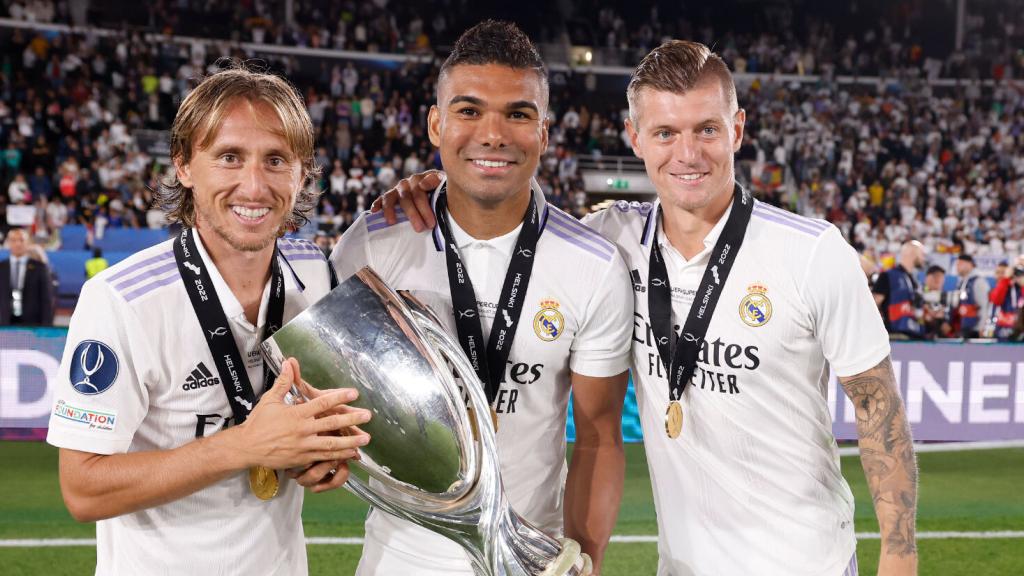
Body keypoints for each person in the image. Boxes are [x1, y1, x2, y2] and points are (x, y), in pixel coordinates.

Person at [377, 39, 918, 576]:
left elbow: (877, 407)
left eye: (707, 128)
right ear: (635, 138)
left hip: (807, 563)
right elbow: (517, 217)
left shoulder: (812, 252)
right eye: (665, 133)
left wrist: (899, 554)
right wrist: (437, 188)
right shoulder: (615, 241)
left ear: (738, 129)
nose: (688, 153)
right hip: (680, 565)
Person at [330, 21, 632, 576]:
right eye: (469, 111)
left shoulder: (592, 265)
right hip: (398, 561)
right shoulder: (374, 244)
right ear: (436, 123)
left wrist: (584, 560)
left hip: (529, 558)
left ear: (544, 132)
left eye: (517, 114)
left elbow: (597, 438)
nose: (493, 134)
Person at [45, 64, 371, 575]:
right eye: (228, 157)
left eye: (276, 160)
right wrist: (242, 445)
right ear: (183, 166)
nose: (254, 185)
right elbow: (83, 488)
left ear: (303, 172)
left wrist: (322, 457)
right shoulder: (120, 300)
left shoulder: (313, 271)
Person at [872, 240, 927, 339]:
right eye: (922, 253)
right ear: (911, 252)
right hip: (896, 337)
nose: (924, 257)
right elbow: (873, 305)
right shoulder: (888, 276)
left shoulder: (915, 282)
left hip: (915, 335)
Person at [0, 228, 54, 325]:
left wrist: (47, 325)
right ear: (8, 243)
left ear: (28, 243)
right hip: (4, 322)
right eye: (14, 240)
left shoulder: (40, 268)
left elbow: (47, 299)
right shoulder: (2, 267)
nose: (18, 244)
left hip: (32, 324)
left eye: (21, 240)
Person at [950, 253, 990, 338]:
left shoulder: (978, 281)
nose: (957, 267)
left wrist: (982, 327)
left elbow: (985, 306)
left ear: (969, 264)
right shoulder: (962, 282)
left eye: (959, 264)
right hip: (964, 327)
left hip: (975, 330)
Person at [989, 257, 1024, 341]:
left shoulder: (1019, 287)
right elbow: (996, 300)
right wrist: (1005, 280)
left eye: (1004, 273)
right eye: (998, 273)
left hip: (1020, 328)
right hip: (1002, 329)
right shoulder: (999, 288)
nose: (1001, 275)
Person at [921, 264, 952, 339]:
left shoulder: (946, 298)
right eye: (935, 276)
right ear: (927, 278)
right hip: (920, 337)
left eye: (941, 277)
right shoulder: (919, 294)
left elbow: (949, 326)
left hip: (943, 339)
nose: (938, 280)